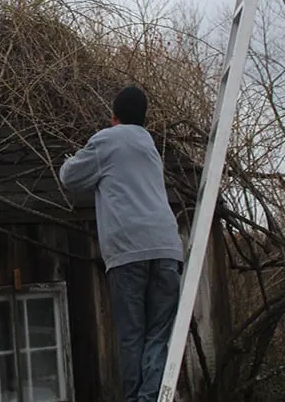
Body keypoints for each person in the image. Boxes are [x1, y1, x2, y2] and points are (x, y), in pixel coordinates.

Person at [59, 85, 183, 402]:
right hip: (167, 246)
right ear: (144, 118)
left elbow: (70, 178)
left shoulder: (107, 139)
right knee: (158, 335)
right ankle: (151, 397)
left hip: (129, 251)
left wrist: (69, 159)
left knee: (132, 337)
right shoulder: (149, 144)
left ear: (114, 118)